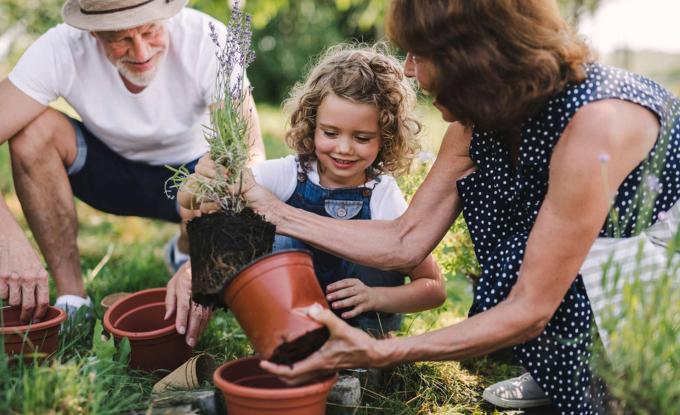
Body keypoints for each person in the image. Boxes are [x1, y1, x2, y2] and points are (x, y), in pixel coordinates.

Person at [217, 1, 678, 414]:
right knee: (524, 255)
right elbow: (405, 239)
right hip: (587, 247)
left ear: (473, 57)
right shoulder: (481, 116)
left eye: (420, 54)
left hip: (656, 265)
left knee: (629, 395)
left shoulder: (594, 124)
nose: (409, 71)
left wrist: (384, 351)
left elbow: (530, 307)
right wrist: (272, 212)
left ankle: (610, 377)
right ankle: (561, 374)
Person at [0, 0, 265, 349]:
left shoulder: (208, 39)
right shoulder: (60, 47)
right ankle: (73, 300)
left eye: (150, 30)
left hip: (190, 179)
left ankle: (186, 249)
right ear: (92, 31)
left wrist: (205, 261)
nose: (140, 51)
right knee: (31, 135)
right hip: (109, 174)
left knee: (221, 174)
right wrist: (8, 240)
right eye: (119, 38)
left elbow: (251, 159)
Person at [180, 45, 446, 336]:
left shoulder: (382, 193)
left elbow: (433, 288)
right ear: (312, 125)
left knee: (382, 245)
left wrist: (377, 297)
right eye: (330, 133)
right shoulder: (290, 174)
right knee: (278, 242)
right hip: (294, 324)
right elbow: (193, 197)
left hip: (361, 328)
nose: (344, 148)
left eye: (362, 137)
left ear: (385, 137)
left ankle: (372, 344)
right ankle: (287, 339)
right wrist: (202, 179)